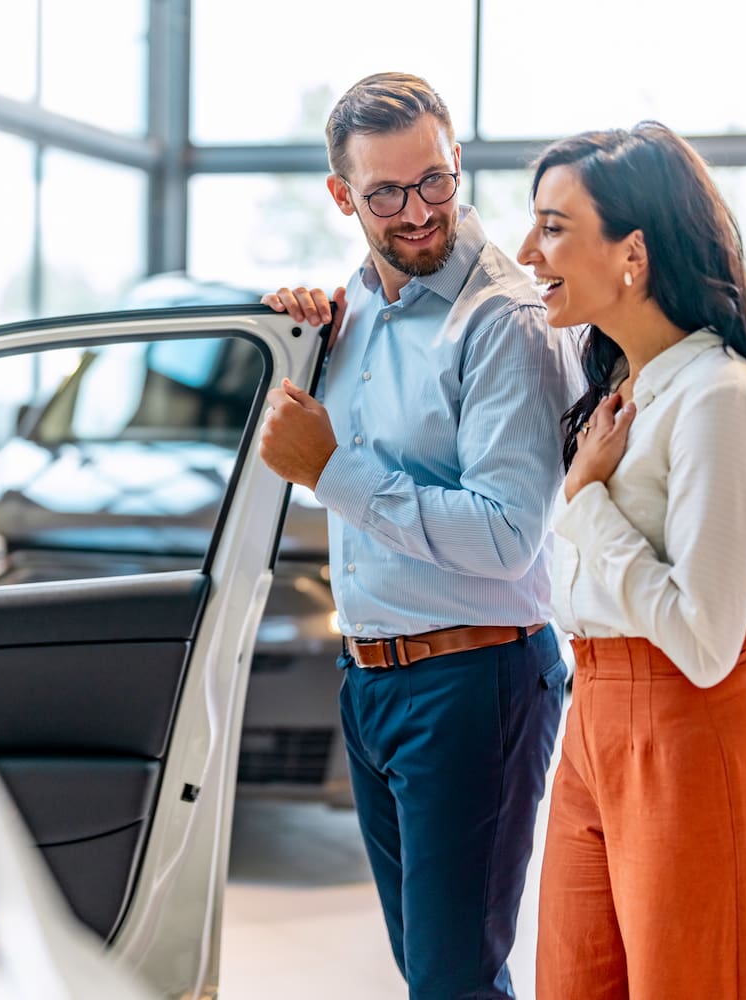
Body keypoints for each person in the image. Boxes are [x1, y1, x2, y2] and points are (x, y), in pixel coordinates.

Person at [259, 72, 581, 999]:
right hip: (371, 683)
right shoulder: (350, 311)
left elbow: (509, 534)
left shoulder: (503, 321)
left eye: (436, 180)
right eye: (387, 193)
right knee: (435, 973)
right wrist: (294, 342)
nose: (419, 211)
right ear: (342, 197)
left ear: (457, 161)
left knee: (452, 982)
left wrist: (331, 471)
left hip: (472, 682)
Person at [515, 122, 746, 999]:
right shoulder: (625, 391)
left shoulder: (720, 397)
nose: (529, 251)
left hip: (691, 728)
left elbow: (706, 639)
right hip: (594, 718)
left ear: (632, 251)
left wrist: (586, 503)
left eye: (553, 227)